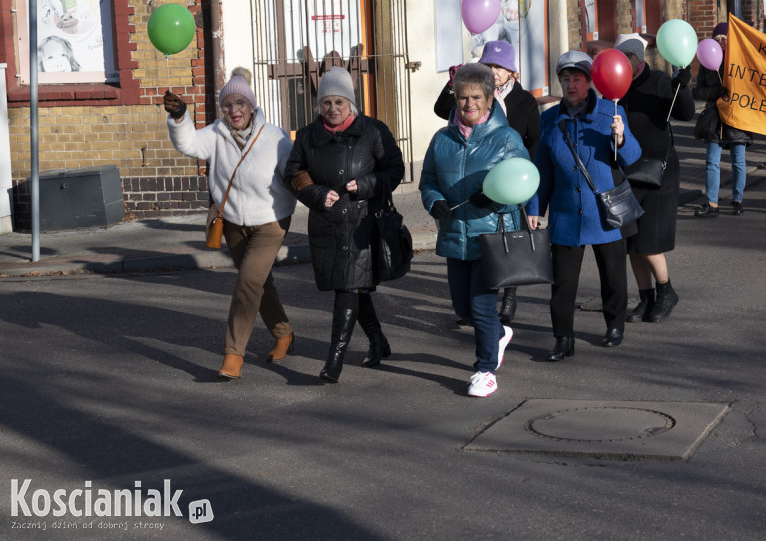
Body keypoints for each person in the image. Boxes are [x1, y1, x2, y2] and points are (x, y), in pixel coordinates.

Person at [164, 68, 296, 379]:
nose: (234, 111)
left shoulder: (275, 137)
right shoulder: (215, 134)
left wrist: (318, 195)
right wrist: (180, 117)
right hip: (234, 220)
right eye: (227, 105)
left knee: (248, 283)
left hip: (270, 221)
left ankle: (233, 354)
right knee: (259, 283)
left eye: (240, 103)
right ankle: (283, 333)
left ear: (252, 105)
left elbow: (293, 176)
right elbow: (189, 145)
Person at [284, 67, 406, 383]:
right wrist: (316, 193)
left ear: (351, 103)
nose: (333, 109)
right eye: (327, 103)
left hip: (364, 223)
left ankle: (333, 360)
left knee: (349, 287)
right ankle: (378, 341)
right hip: (326, 224)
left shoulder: (374, 131)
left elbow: (395, 169)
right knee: (351, 286)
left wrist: (366, 185)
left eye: (340, 101)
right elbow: (293, 174)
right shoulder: (308, 136)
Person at [419, 63, 526, 397]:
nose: (469, 105)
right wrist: (433, 199)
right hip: (454, 235)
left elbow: (524, 185)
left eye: (476, 97)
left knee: (481, 308)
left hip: (490, 236)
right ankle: (497, 334)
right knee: (462, 309)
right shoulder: (441, 140)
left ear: (490, 98)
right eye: (463, 98)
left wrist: (496, 196)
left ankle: (485, 370)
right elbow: (428, 180)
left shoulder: (506, 138)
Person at [526, 51, 641, 360]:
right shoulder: (549, 119)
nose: (571, 84)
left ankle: (614, 325)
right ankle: (563, 338)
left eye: (577, 78)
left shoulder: (610, 112)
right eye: (565, 79)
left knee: (613, 276)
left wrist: (620, 138)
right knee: (562, 284)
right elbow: (543, 171)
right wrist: (535, 209)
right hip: (565, 216)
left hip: (603, 213)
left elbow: (632, 157)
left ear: (590, 81)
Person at [433, 41, 540, 325]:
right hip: (470, 182)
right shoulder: (470, 93)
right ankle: (481, 314)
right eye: (488, 66)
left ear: (511, 72)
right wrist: (452, 85)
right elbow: (442, 110)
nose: (493, 71)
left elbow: (533, 142)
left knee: (505, 245)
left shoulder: (524, 100)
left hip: (510, 181)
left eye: (499, 67)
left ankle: (508, 297)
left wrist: (515, 173)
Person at [615, 33, 694, 324]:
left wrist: (682, 87)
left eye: (630, 58)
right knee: (630, 239)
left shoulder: (659, 81)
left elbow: (685, 113)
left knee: (649, 239)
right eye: (620, 58)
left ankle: (666, 291)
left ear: (639, 58)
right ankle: (645, 297)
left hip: (659, 168)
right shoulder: (615, 87)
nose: (625, 63)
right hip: (627, 168)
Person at [692, 23, 752, 216]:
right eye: (716, 39)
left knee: (738, 162)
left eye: (724, 39)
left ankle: (737, 199)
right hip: (715, 118)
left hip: (737, 117)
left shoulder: (741, 61)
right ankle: (712, 202)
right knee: (711, 161)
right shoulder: (707, 61)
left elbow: (752, 87)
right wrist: (716, 92)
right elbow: (699, 90)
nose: (720, 43)